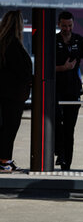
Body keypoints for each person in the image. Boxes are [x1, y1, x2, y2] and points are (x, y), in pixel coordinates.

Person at [55, 11, 83, 171]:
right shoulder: (52, 40)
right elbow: (43, 68)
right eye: (64, 25)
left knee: (69, 127)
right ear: (59, 24)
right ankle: (58, 150)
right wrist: (63, 68)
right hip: (54, 90)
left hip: (73, 90)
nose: (67, 28)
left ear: (73, 24)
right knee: (55, 122)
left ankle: (66, 162)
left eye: (70, 25)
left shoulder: (81, 41)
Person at [0, 10, 32, 172]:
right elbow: (21, 70)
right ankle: (4, 160)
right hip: (13, 94)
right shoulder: (13, 44)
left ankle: (6, 159)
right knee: (10, 127)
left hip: (6, 92)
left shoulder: (4, 42)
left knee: (5, 127)